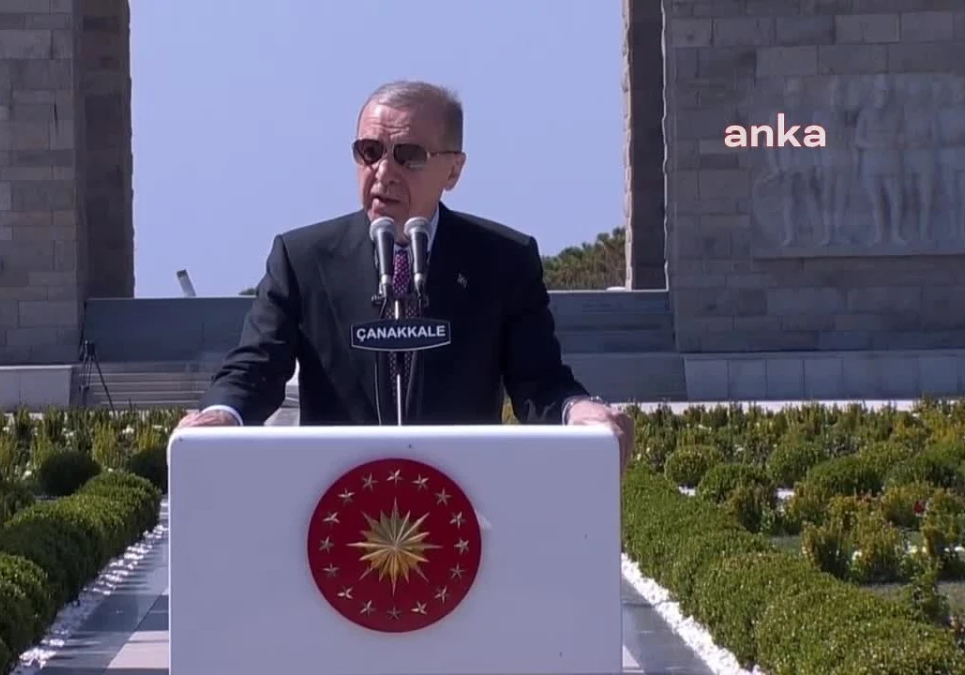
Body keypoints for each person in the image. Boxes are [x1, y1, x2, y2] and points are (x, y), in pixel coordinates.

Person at [177, 81, 633, 473]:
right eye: (370, 152)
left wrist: (580, 411)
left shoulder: (503, 261)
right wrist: (222, 414)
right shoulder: (302, 260)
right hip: (337, 503)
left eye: (408, 156)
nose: (383, 172)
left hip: (461, 503)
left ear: (453, 170)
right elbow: (255, 369)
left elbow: (540, 383)